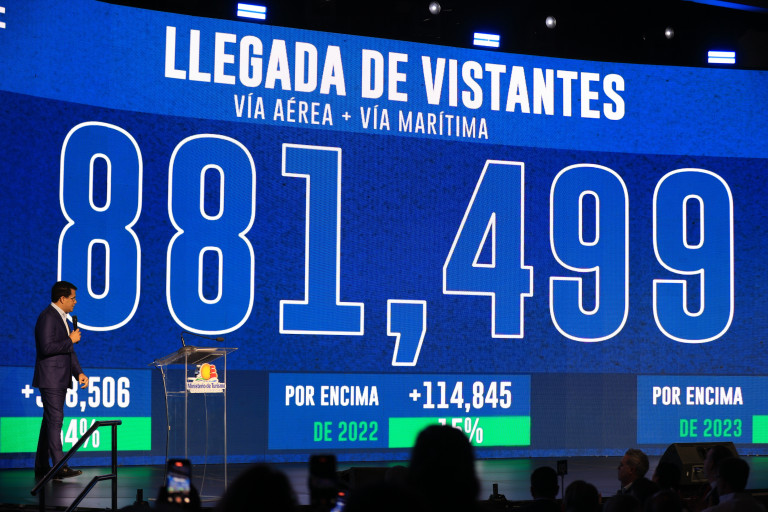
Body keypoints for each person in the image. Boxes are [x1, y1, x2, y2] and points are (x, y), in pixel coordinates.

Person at [33, 281, 89, 480]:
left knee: (49, 422)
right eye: (73, 298)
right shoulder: (48, 317)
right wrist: (70, 340)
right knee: (55, 421)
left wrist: (79, 373)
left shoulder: (62, 318)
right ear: (62, 298)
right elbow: (46, 348)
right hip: (51, 379)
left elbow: (68, 351)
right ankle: (59, 467)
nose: (75, 302)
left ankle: (42, 466)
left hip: (59, 378)